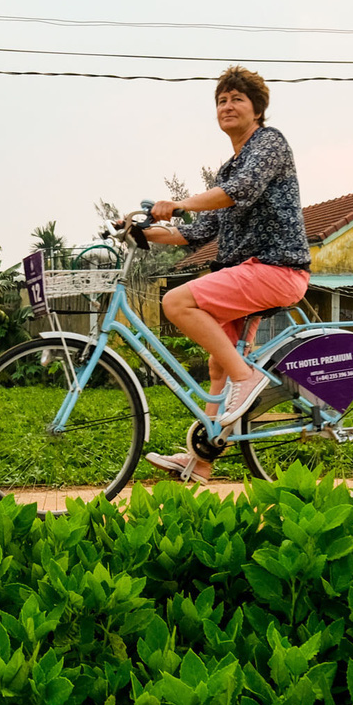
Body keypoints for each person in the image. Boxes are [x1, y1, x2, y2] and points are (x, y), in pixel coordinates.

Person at [129, 65, 310, 483]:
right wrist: (143, 231)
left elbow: (239, 191)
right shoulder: (227, 168)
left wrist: (178, 202)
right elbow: (200, 233)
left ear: (257, 109)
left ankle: (249, 380)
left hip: (276, 266)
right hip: (249, 270)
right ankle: (201, 460)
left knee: (177, 301)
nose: (227, 106)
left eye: (237, 99)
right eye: (221, 101)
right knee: (218, 366)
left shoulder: (269, 143)